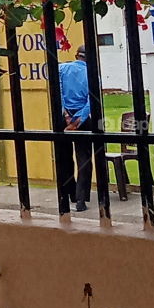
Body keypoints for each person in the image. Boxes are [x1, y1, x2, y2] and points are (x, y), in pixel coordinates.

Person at [58, 44, 92, 211]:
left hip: (63, 118)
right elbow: (91, 100)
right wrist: (79, 119)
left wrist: (66, 115)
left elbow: (58, 92)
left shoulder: (62, 68)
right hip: (82, 121)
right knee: (84, 158)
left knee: (64, 157)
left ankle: (69, 193)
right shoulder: (93, 74)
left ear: (76, 55)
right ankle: (81, 200)